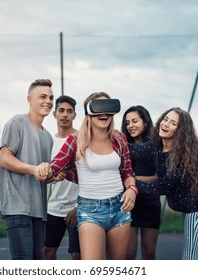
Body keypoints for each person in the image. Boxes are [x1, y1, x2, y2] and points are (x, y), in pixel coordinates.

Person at [37, 92, 137, 260]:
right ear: (88, 112)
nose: (104, 113)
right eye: (98, 108)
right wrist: (45, 170)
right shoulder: (75, 141)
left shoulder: (119, 139)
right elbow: (54, 167)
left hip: (120, 207)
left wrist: (132, 189)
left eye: (108, 108)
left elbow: (127, 171)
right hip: (90, 211)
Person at [132, 107, 198, 260]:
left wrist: (132, 184)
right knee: (195, 254)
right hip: (189, 208)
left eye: (173, 123)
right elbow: (136, 151)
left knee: (190, 256)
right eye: (165, 119)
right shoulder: (157, 145)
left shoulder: (181, 157)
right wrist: (113, 140)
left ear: (180, 131)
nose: (165, 124)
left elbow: (162, 187)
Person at [0, 78, 54, 260]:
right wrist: (34, 169)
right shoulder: (17, 122)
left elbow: (41, 173)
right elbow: (5, 159)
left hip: (38, 209)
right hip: (16, 206)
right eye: (43, 96)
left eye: (51, 97)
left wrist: (51, 174)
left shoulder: (48, 137)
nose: (48, 101)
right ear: (29, 99)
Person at [43, 95, 81, 260]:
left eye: (69, 111)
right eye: (61, 110)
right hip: (54, 207)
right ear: (54, 114)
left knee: (77, 254)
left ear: (74, 115)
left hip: (78, 206)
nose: (65, 114)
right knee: (48, 251)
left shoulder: (82, 140)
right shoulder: (48, 142)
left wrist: (79, 206)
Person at [121, 105, 161, 260]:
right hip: (129, 203)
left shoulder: (157, 145)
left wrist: (135, 179)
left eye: (135, 121)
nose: (130, 125)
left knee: (149, 253)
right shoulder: (123, 145)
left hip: (151, 202)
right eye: (128, 122)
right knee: (129, 254)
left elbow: (160, 177)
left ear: (145, 122)